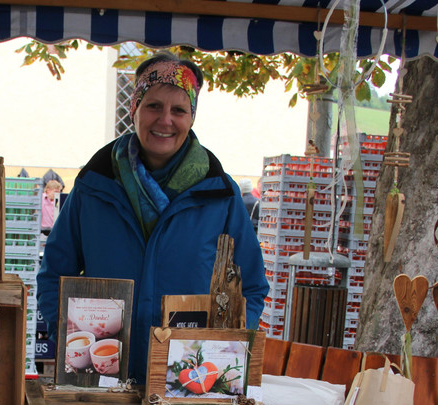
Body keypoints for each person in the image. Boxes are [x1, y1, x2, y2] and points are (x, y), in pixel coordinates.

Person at [37, 51, 268, 382]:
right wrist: (65, 334)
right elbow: (54, 275)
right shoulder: (95, 185)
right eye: (154, 106)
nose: (165, 120)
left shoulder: (220, 194)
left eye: (179, 110)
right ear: (134, 110)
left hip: (187, 379)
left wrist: (226, 351)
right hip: (103, 377)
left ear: (191, 118)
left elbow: (252, 287)